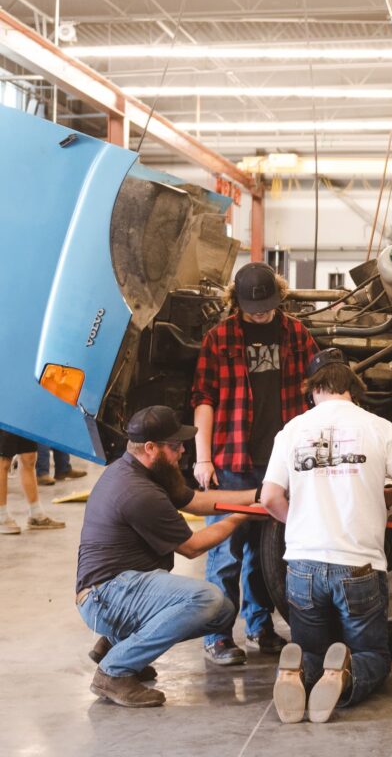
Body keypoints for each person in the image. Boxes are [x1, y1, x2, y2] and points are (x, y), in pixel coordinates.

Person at [261, 349, 392, 724]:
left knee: (311, 648)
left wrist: (300, 523)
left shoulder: (292, 431)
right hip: (358, 565)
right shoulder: (380, 428)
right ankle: (346, 678)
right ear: (353, 386)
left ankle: (300, 671)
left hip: (302, 564)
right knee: (373, 653)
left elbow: (269, 497)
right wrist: (388, 494)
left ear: (313, 389)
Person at [75, 405, 265, 709]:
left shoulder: (145, 469)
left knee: (222, 612)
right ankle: (114, 671)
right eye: (175, 446)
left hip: (120, 589)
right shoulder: (138, 491)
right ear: (150, 448)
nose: (181, 452)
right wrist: (241, 517)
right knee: (206, 600)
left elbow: (196, 500)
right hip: (106, 595)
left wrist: (255, 497)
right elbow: (192, 546)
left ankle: (116, 645)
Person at [192, 262, 318, 666]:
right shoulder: (220, 337)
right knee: (225, 551)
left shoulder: (295, 333)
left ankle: (261, 627)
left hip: (280, 463)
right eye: (254, 308)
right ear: (238, 302)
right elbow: (204, 398)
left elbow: (318, 389)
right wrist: (203, 457)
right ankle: (216, 636)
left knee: (267, 553)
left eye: (267, 306)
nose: (262, 313)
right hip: (232, 460)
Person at [0, 431, 65, 534]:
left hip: (24, 417)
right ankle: (1, 517)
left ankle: (36, 514)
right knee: (3, 461)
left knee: (29, 458)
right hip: (5, 417)